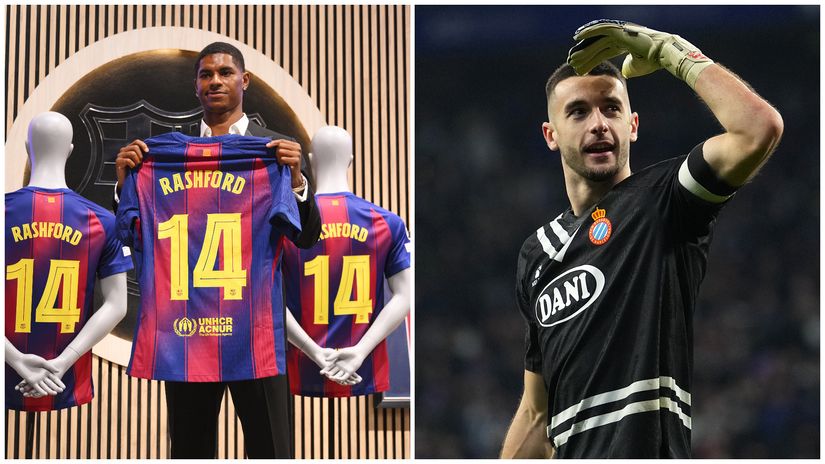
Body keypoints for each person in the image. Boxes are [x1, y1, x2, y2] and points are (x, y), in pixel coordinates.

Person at [500, 20, 782, 458]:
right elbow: (537, 414)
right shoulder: (536, 253)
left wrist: (673, 52)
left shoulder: (663, 200)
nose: (599, 124)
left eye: (611, 109)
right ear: (550, 135)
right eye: (578, 112)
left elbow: (757, 129)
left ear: (632, 125)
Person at [112, 42, 322, 458]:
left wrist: (297, 182)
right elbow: (130, 234)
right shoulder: (161, 157)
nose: (215, 81)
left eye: (225, 73)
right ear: (195, 86)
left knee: (272, 450)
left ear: (245, 81)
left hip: (255, 331)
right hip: (188, 330)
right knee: (190, 450)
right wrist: (125, 184)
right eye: (206, 74)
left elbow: (308, 237)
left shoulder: (276, 151)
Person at [6, 111, 131, 412]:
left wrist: (15, 359)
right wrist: (63, 361)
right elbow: (117, 305)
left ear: (27, 147)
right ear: (71, 150)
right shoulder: (103, 221)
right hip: (64, 377)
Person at [282, 125, 411, 397]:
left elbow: (267, 298)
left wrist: (312, 350)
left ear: (311, 160)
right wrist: (361, 351)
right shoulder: (387, 223)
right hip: (362, 366)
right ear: (351, 161)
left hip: (301, 366)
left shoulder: (286, 225)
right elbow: (405, 296)